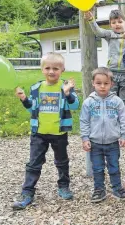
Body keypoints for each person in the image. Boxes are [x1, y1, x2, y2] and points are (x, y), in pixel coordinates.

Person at [12, 53, 79, 210]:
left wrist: (68, 93)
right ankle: (27, 192)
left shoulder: (65, 86)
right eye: (47, 68)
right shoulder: (36, 88)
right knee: (34, 163)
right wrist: (24, 99)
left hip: (59, 133)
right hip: (39, 133)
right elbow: (31, 108)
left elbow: (75, 106)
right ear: (42, 69)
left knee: (62, 162)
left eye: (55, 68)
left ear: (62, 69)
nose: (51, 71)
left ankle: (63, 187)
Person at [80, 67, 125, 203]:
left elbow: (123, 119)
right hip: (95, 142)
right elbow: (84, 121)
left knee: (114, 166)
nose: (102, 86)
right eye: (99, 83)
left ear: (111, 84)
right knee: (97, 168)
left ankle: (117, 188)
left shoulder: (117, 101)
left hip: (113, 142)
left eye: (106, 83)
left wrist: (124, 135)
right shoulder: (88, 102)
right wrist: (85, 138)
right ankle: (99, 189)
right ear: (93, 83)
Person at [85, 10, 125, 113]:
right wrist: (91, 20)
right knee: (111, 98)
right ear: (110, 25)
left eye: (120, 22)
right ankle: (112, 119)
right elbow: (98, 31)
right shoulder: (110, 35)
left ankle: (124, 122)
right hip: (112, 73)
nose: (117, 25)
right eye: (113, 23)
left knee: (124, 100)